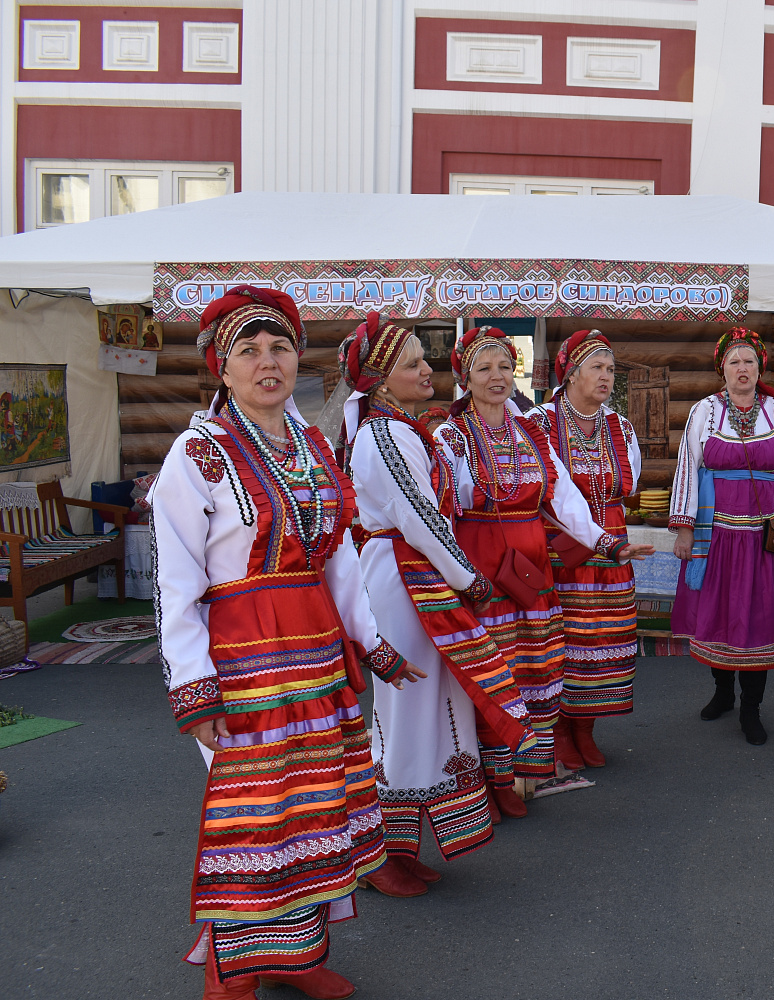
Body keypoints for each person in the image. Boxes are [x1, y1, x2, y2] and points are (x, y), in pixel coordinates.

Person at [152, 287, 421, 1000]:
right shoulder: (197, 454)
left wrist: (372, 643)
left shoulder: (309, 446)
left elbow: (335, 559)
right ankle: (230, 971)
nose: (267, 362)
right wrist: (193, 685)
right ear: (222, 367)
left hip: (314, 655)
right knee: (254, 817)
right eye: (249, 350)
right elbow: (175, 582)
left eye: (279, 348)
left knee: (311, 811)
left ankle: (292, 956)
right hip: (243, 663)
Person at [342, 313, 537, 893]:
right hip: (402, 581)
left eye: (424, 360)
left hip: (416, 579)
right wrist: (470, 578)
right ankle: (380, 857)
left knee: (428, 709)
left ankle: (401, 845)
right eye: (411, 364)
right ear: (379, 381)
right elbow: (421, 520)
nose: (427, 370)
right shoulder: (384, 436)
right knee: (401, 718)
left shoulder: (400, 430)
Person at [436, 325, 649, 782]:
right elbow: (443, 513)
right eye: (485, 368)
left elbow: (562, 494)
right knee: (495, 665)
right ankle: (487, 777)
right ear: (465, 378)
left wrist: (607, 543)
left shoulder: (529, 431)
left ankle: (529, 764)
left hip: (536, 563)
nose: (498, 376)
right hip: (493, 564)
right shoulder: (451, 437)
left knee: (538, 661)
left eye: (505, 367)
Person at [669, 327, 774, 745]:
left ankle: (751, 708)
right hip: (715, 537)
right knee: (717, 615)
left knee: (756, 620)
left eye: (749, 361)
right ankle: (722, 693)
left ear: (760, 367)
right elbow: (687, 468)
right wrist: (683, 528)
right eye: (734, 361)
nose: (742, 368)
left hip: (759, 539)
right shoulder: (704, 411)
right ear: (722, 369)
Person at [528, 329, 653, 767]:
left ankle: (586, 728)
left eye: (611, 369)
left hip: (613, 547)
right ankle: (561, 730)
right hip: (563, 549)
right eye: (597, 368)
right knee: (567, 639)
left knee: (608, 638)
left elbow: (629, 484)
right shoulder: (541, 423)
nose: (606, 377)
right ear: (571, 373)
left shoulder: (620, 427)